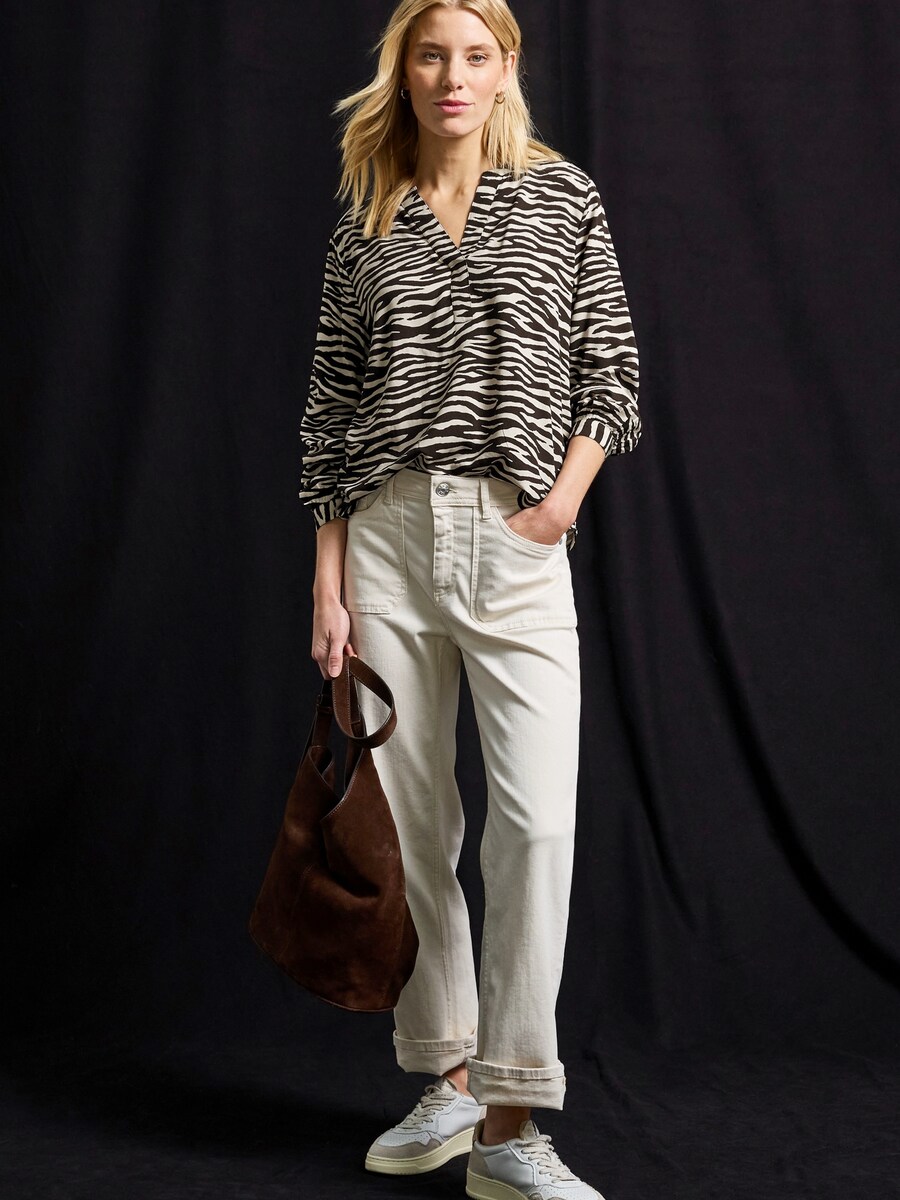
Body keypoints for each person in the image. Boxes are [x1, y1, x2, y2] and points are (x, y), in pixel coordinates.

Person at [298, 1, 641, 1196]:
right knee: (413, 827)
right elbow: (330, 410)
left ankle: (511, 1123)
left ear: (507, 68)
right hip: (386, 537)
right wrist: (330, 581)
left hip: (515, 535)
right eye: (431, 54)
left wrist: (556, 509)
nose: (453, 75)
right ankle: (447, 1080)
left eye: (476, 55)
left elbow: (611, 373)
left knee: (535, 824)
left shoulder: (562, 198)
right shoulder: (367, 221)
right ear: (403, 69)